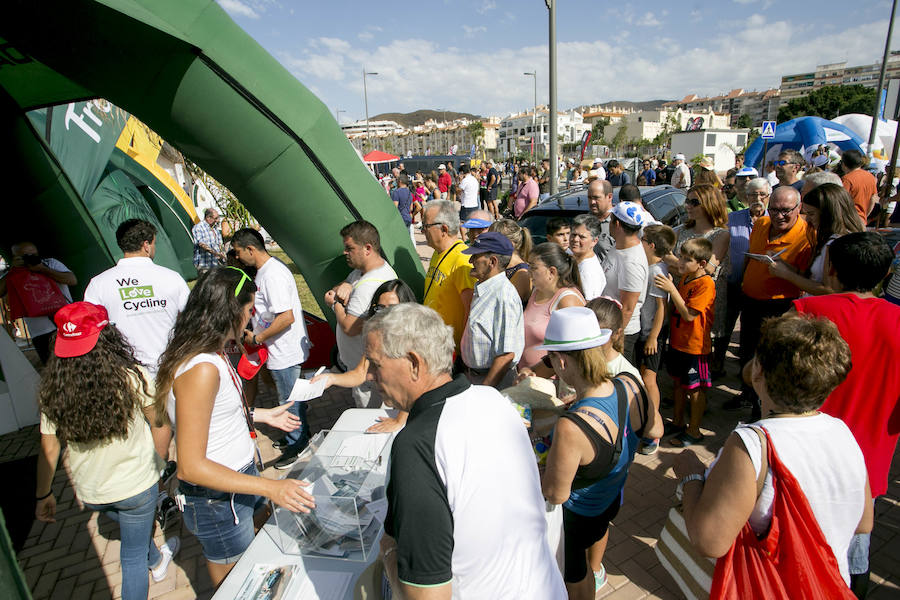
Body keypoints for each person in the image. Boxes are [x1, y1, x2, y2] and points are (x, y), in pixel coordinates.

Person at [367, 304, 567, 599]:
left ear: (413, 362)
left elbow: (426, 595)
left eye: (375, 364)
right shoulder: (494, 400)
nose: (369, 375)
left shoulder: (416, 445)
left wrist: (388, 552)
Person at [674, 313, 872, 594]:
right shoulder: (843, 432)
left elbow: (710, 541)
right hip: (829, 585)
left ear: (758, 372)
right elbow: (864, 522)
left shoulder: (752, 444)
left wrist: (690, 476)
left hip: (772, 588)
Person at [155, 268, 314, 586]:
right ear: (230, 310)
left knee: (257, 559)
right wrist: (273, 487)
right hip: (217, 498)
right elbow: (190, 467)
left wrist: (263, 415)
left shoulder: (208, 354)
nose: (251, 317)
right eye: (249, 310)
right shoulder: (201, 368)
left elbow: (212, 416)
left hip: (238, 482)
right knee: (237, 585)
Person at [35, 302, 178, 600]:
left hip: (91, 492)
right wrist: (161, 464)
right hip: (137, 484)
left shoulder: (52, 388)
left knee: (132, 532)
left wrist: (44, 494)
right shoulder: (131, 376)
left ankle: (157, 559)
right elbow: (160, 424)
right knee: (131, 558)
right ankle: (151, 562)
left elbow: (49, 445)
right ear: (108, 335)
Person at [793, 232, 900, 595]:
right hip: (867, 467)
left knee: (798, 547)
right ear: (886, 275)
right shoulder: (897, 323)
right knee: (855, 557)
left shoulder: (806, 312)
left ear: (832, 270)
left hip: (802, 457)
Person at [539, 307, 662, 598]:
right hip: (608, 504)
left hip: (577, 519)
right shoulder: (630, 384)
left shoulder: (572, 428)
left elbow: (556, 494)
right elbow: (655, 429)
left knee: (574, 574)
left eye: (550, 361)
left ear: (562, 360)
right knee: (583, 569)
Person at [231, 228, 311, 470]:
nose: (237, 258)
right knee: (289, 398)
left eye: (238, 253)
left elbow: (286, 317)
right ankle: (294, 438)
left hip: (284, 352)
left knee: (289, 402)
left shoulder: (272, 275)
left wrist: (258, 338)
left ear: (250, 249)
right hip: (278, 350)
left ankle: (299, 445)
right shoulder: (266, 272)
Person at [734, 186, 812, 420]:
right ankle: (747, 393)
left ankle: (763, 408)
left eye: (786, 210)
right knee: (746, 351)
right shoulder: (760, 225)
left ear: (798, 208)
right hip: (750, 301)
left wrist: (787, 272)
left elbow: (808, 277)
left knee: (769, 358)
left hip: (779, 306)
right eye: (774, 210)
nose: (779, 215)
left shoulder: (807, 234)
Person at [84, 219, 189, 375]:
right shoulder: (172, 277)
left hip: (127, 374)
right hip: (171, 369)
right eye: (154, 244)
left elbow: (92, 330)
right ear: (146, 245)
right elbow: (193, 317)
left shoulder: (98, 284)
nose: (154, 248)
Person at [313, 279, 416, 433]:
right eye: (380, 308)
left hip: (415, 413)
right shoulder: (377, 337)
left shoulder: (417, 338)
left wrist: (399, 419)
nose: (386, 314)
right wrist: (331, 379)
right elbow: (361, 373)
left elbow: (418, 386)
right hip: (395, 409)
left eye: (393, 308)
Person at [325, 221, 397, 408]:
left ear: (367, 248)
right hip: (362, 369)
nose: (345, 252)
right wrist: (345, 286)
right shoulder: (362, 272)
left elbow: (350, 327)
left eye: (349, 248)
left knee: (368, 416)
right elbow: (339, 288)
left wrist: (334, 304)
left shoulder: (369, 286)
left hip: (365, 374)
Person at [655, 237, 716, 447]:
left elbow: (690, 315)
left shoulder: (705, 283)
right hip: (678, 342)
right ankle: (678, 422)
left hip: (695, 346)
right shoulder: (685, 278)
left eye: (687, 259)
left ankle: (694, 430)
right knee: (679, 384)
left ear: (702, 263)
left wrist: (671, 290)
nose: (681, 262)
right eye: (681, 257)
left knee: (695, 389)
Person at [673, 185, 731, 377]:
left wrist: (669, 259)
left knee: (701, 358)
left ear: (709, 204)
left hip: (702, 301)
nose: (688, 206)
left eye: (694, 202)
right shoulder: (680, 231)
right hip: (680, 298)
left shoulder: (720, 235)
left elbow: (706, 270)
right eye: (687, 201)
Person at [768, 183, 862, 296]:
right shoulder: (831, 239)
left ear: (828, 214)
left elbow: (830, 290)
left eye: (812, 214)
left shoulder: (838, 244)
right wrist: (783, 264)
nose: (808, 219)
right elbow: (813, 278)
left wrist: (786, 274)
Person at [460, 233, 524, 388]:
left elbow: (506, 355)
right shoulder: (485, 288)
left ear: (492, 262)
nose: (470, 261)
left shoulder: (504, 296)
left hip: (492, 382)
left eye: (475, 256)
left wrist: (486, 391)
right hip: (475, 377)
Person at [636, 224, 677, 455]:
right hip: (646, 331)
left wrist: (653, 337)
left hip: (653, 334)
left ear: (651, 246)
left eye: (643, 240)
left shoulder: (656, 272)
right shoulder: (651, 266)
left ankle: (653, 429)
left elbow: (662, 307)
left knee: (649, 379)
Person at [0, 241, 76, 364]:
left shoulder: (50, 263)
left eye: (33, 254)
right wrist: (13, 270)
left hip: (67, 324)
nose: (31, 258)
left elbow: (72, 280)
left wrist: (43, 269)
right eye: (26, 256)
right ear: (16, 257)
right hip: (41, 332)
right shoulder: (14, 273)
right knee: (52, 368)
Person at [518, 243, 586, 374]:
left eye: (533, 267)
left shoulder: (568, 300)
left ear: (552, 271)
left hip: (551, 385)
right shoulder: (536, 291)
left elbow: (572, 353)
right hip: (528, 379)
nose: (528, 271)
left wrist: (534, 374)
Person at [421, 200, 476, 352]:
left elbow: (470, 310)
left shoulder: (462, 260)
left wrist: (461, 353)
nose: (422, 231)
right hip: (433, 346)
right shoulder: (437, 253)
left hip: (450, 352)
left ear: (444, 229)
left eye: (426, 226)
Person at [601, 201, 649, 367]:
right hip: (609, 328)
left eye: (611, 219)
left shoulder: (632, 262)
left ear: (617, 224)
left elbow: (627, 308)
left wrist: (614, 341)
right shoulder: (619, 246)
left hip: (622, 334)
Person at [490, 218, 533, 305]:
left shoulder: (522, 273)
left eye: (492, 241)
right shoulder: (503, 266)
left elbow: (505, 306)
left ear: (509, 243)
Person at [570, 214, 607, 301]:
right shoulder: (574, 258)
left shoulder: (588, 271)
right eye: (573, 234)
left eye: (582, 237)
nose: (575, 239)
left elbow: (587, 305)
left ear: (594, 241)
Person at [840, 149, 878, 226]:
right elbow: (873, 199)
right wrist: (865, 215)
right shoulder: (870, 177)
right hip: (862, 220)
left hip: (848, 220)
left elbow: (840, 201)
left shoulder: (847, 179)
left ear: (844, 164)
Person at [587, 178, 616, 262]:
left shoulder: (619, 224)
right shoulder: (584, 222)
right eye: (589, 198)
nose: (592, 202)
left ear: (609, 197)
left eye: (596, 198)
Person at [192, 208, 226, 273]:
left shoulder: (215, 228)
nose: (218, 220)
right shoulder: (198, 227)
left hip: (216, 263)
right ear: (208, 218)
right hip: (204, 264)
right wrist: (216, 254)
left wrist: (222, 253)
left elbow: (220, 244)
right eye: (216, 218)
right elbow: (202, 244)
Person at [390, 173, 415, 244]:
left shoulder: (396, 192)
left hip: (400, 219)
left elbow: (395, 208)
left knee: (399, 241)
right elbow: (411, 208)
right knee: (407, 240)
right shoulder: (410, 193)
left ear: (400, 181)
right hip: (408, 218)